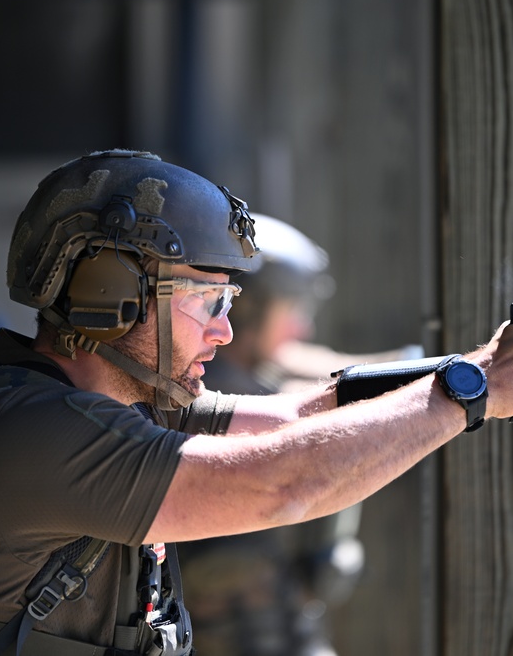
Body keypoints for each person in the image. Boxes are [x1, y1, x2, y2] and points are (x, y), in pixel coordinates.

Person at [0, 149, 513, 656]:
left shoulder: (122, 405)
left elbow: (301, 418)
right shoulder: (31, 436)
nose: (226, 326)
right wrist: (478, 392)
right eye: (206, 297)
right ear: (109, 296)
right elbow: (284, 481)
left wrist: (484, 363)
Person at [178, 213, 419, 656]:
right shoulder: (219, 394)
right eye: (293, 311)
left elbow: (312, 366)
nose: (302, 328)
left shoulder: (248, 372)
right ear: (247, 311)